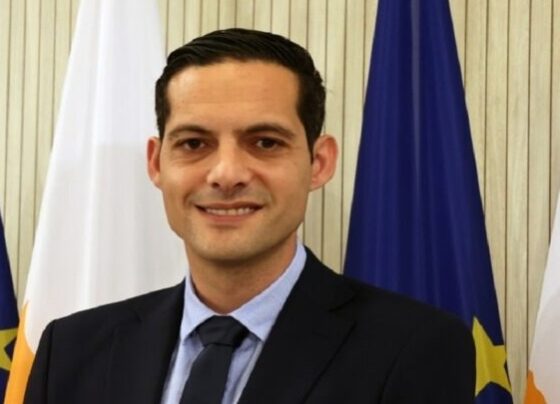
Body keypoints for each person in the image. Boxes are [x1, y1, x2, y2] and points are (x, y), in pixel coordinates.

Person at [24, 28, 475, 404]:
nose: (226, 174)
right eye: (194, 143)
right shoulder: (71, 350)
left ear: (319, 163)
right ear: (157, 163)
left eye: (265, 142)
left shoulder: (414, 348)